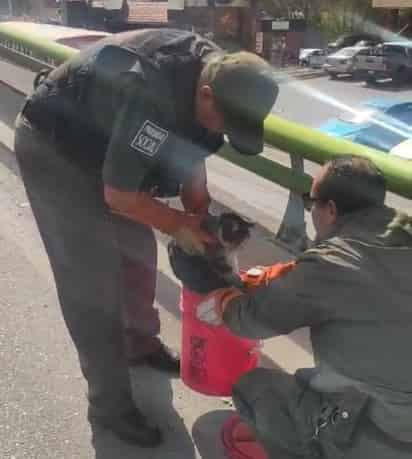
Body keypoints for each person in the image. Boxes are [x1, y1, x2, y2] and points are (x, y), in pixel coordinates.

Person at [14, 28, 278, 447]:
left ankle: (139, 345)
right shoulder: (154, 93)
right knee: (92, 286)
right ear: (206, 95)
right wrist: (176, 224)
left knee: (137, 256)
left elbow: (195, 145)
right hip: (57, 151)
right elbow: (120, 195)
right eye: (225, 123)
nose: (225, 133)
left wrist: (197, 208)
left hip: (111, 155)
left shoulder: (215, 77)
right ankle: (109, 405)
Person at [199, 156, 412, 458]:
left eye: (310, 201)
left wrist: (225, 301)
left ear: (331, 209)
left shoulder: (329, 266)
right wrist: (286, 274)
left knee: (255, 388)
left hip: (388, 431)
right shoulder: (400, 229)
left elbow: (252, 321)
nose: (310, 209)